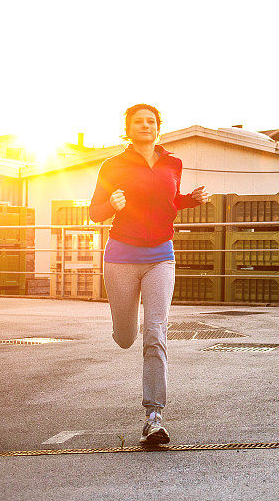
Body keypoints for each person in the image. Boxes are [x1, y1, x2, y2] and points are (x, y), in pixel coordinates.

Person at [89, 103, 209, 445]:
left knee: (155, 333)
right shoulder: (113, 165)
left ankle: (154, 416)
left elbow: (167, 201)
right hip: (121, 257)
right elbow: (94, 211)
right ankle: (122, 330)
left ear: (159, 127)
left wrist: (190, 200)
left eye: (151, 121)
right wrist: (111, 205)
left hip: (161, 255)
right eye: (138, 121)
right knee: (127, 336)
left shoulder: (173, 162)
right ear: (127, 129)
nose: (145, 125)